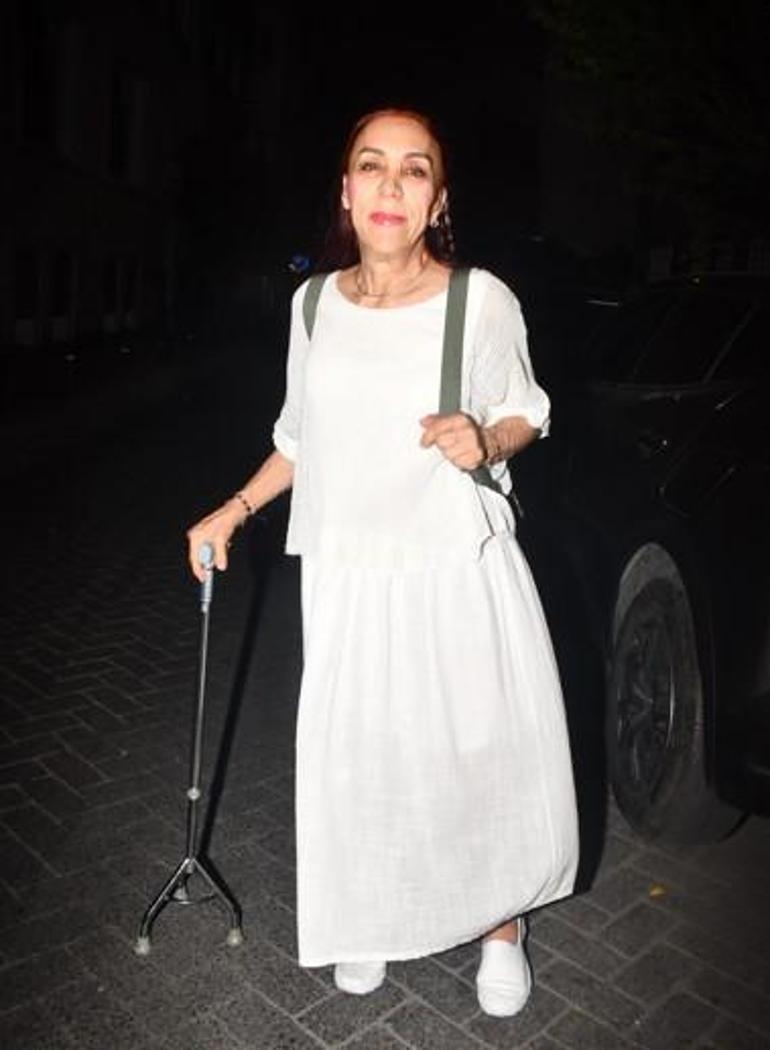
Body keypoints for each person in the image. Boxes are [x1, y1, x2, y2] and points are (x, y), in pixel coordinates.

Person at [187, 108, 579, 1018]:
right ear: (347, 191)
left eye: (414, 169)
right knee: (361, 751)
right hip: (350, 571)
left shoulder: (480, 299)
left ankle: (501, 925)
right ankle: (369, 909)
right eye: (372, 166)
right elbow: (300, 438)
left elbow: (527, 409)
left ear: (437, 200)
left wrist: (487, 437)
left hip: (454, 565)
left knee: (475, 749)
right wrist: (233, 510)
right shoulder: (312, 305)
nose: (391, 185)